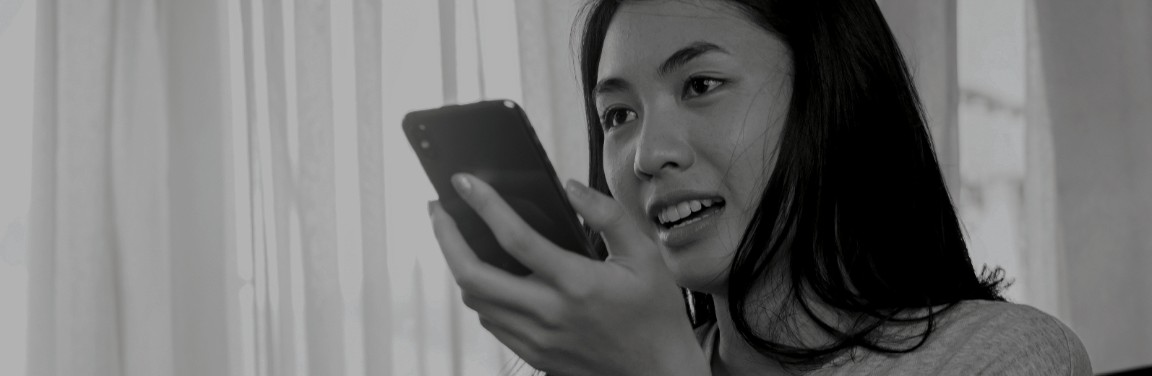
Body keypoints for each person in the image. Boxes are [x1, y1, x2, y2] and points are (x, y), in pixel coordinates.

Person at [427, 0, 1092, 374]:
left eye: (701, 85)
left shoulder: (1004, 357)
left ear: (833, 97)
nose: (647, 155)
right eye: (617, 116)